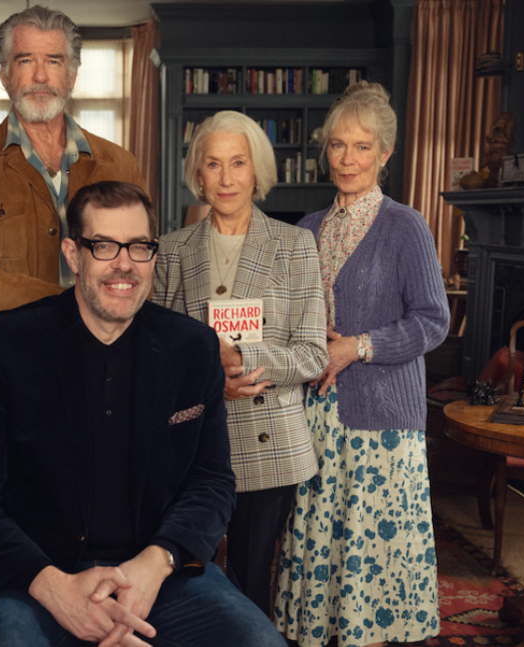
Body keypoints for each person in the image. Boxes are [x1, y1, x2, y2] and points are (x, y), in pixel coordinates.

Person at [0, 181, 285, 647]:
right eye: (105, 246)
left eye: (139, 247)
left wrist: (154, 565)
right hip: (32, 580)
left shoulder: (191, 348)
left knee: (260, 643)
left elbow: (211, 482)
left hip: (159, 578)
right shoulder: (7, 344)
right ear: (73, 255)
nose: (124, 265)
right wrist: (53, 586)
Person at [272, 81, 449, 647]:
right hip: (313, 415)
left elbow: (433, 321)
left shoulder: (406, 227)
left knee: (371, 550)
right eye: (338, 145)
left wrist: (357, 346)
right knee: (320, 539)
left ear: (385, 154)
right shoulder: (306, 229)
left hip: (381, 421)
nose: (348, 159)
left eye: (362, 146)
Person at [151, 110, 328, 614]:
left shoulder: (296, 246)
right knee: (185, 576)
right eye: (213, 164)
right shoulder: (171, 251)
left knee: (253, 581)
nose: (226, 178)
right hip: (192, 438)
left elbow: (313, 353)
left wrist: (243, 358)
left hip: (270, 442)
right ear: (198, 175)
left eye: (238, 163)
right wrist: (212, 378)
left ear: (257, 172)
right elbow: (157, 352)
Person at [0, 5, 147, 361]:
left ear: (71, 76)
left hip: (109, 360)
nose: (40, 76)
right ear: (5, 74)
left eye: (54, 61)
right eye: (25, 61)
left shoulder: (119, 163)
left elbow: (141, 264)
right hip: (11, 364)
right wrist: (73, 307)